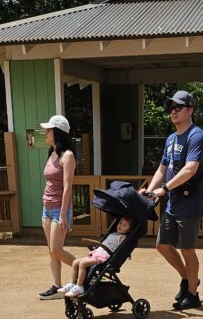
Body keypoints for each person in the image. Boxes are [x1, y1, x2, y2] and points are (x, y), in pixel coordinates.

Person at [141, 90, 203, 311]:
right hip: (172, 203)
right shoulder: (171, 139)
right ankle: (188, 279)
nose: (173, 112)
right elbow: (163, 168)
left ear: (190, 110)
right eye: (171, 108)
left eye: (178, 108)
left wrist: (165, 188)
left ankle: (192, 294)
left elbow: (191, 169)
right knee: (162, 245)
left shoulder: (196, 135)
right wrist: (150, 191)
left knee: (187, 248)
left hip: (189, 203)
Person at [38, 115, 77, 300]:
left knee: (56, 250)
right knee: (51, 250)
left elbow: (68, 186)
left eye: (48, 130)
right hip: (47, 208)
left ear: (58, 132)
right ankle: (56, 286)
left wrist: (63, 215)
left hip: (59, 210)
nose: (45, 132)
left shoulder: (67, 155)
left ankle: (83, 268)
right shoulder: (52, 152)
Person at [59, 214, 134, 298]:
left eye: (124, 225)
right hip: (98, 253)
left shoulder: (123, 238)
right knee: (75, 262)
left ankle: (79, 287)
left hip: (104, 256)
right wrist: (94, 250)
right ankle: (72, 284)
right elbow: (104, 245)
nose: (120, 226)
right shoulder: (112, 234)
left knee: (82, 264)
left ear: (129, 229)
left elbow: (119, 250)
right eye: (120, 223)